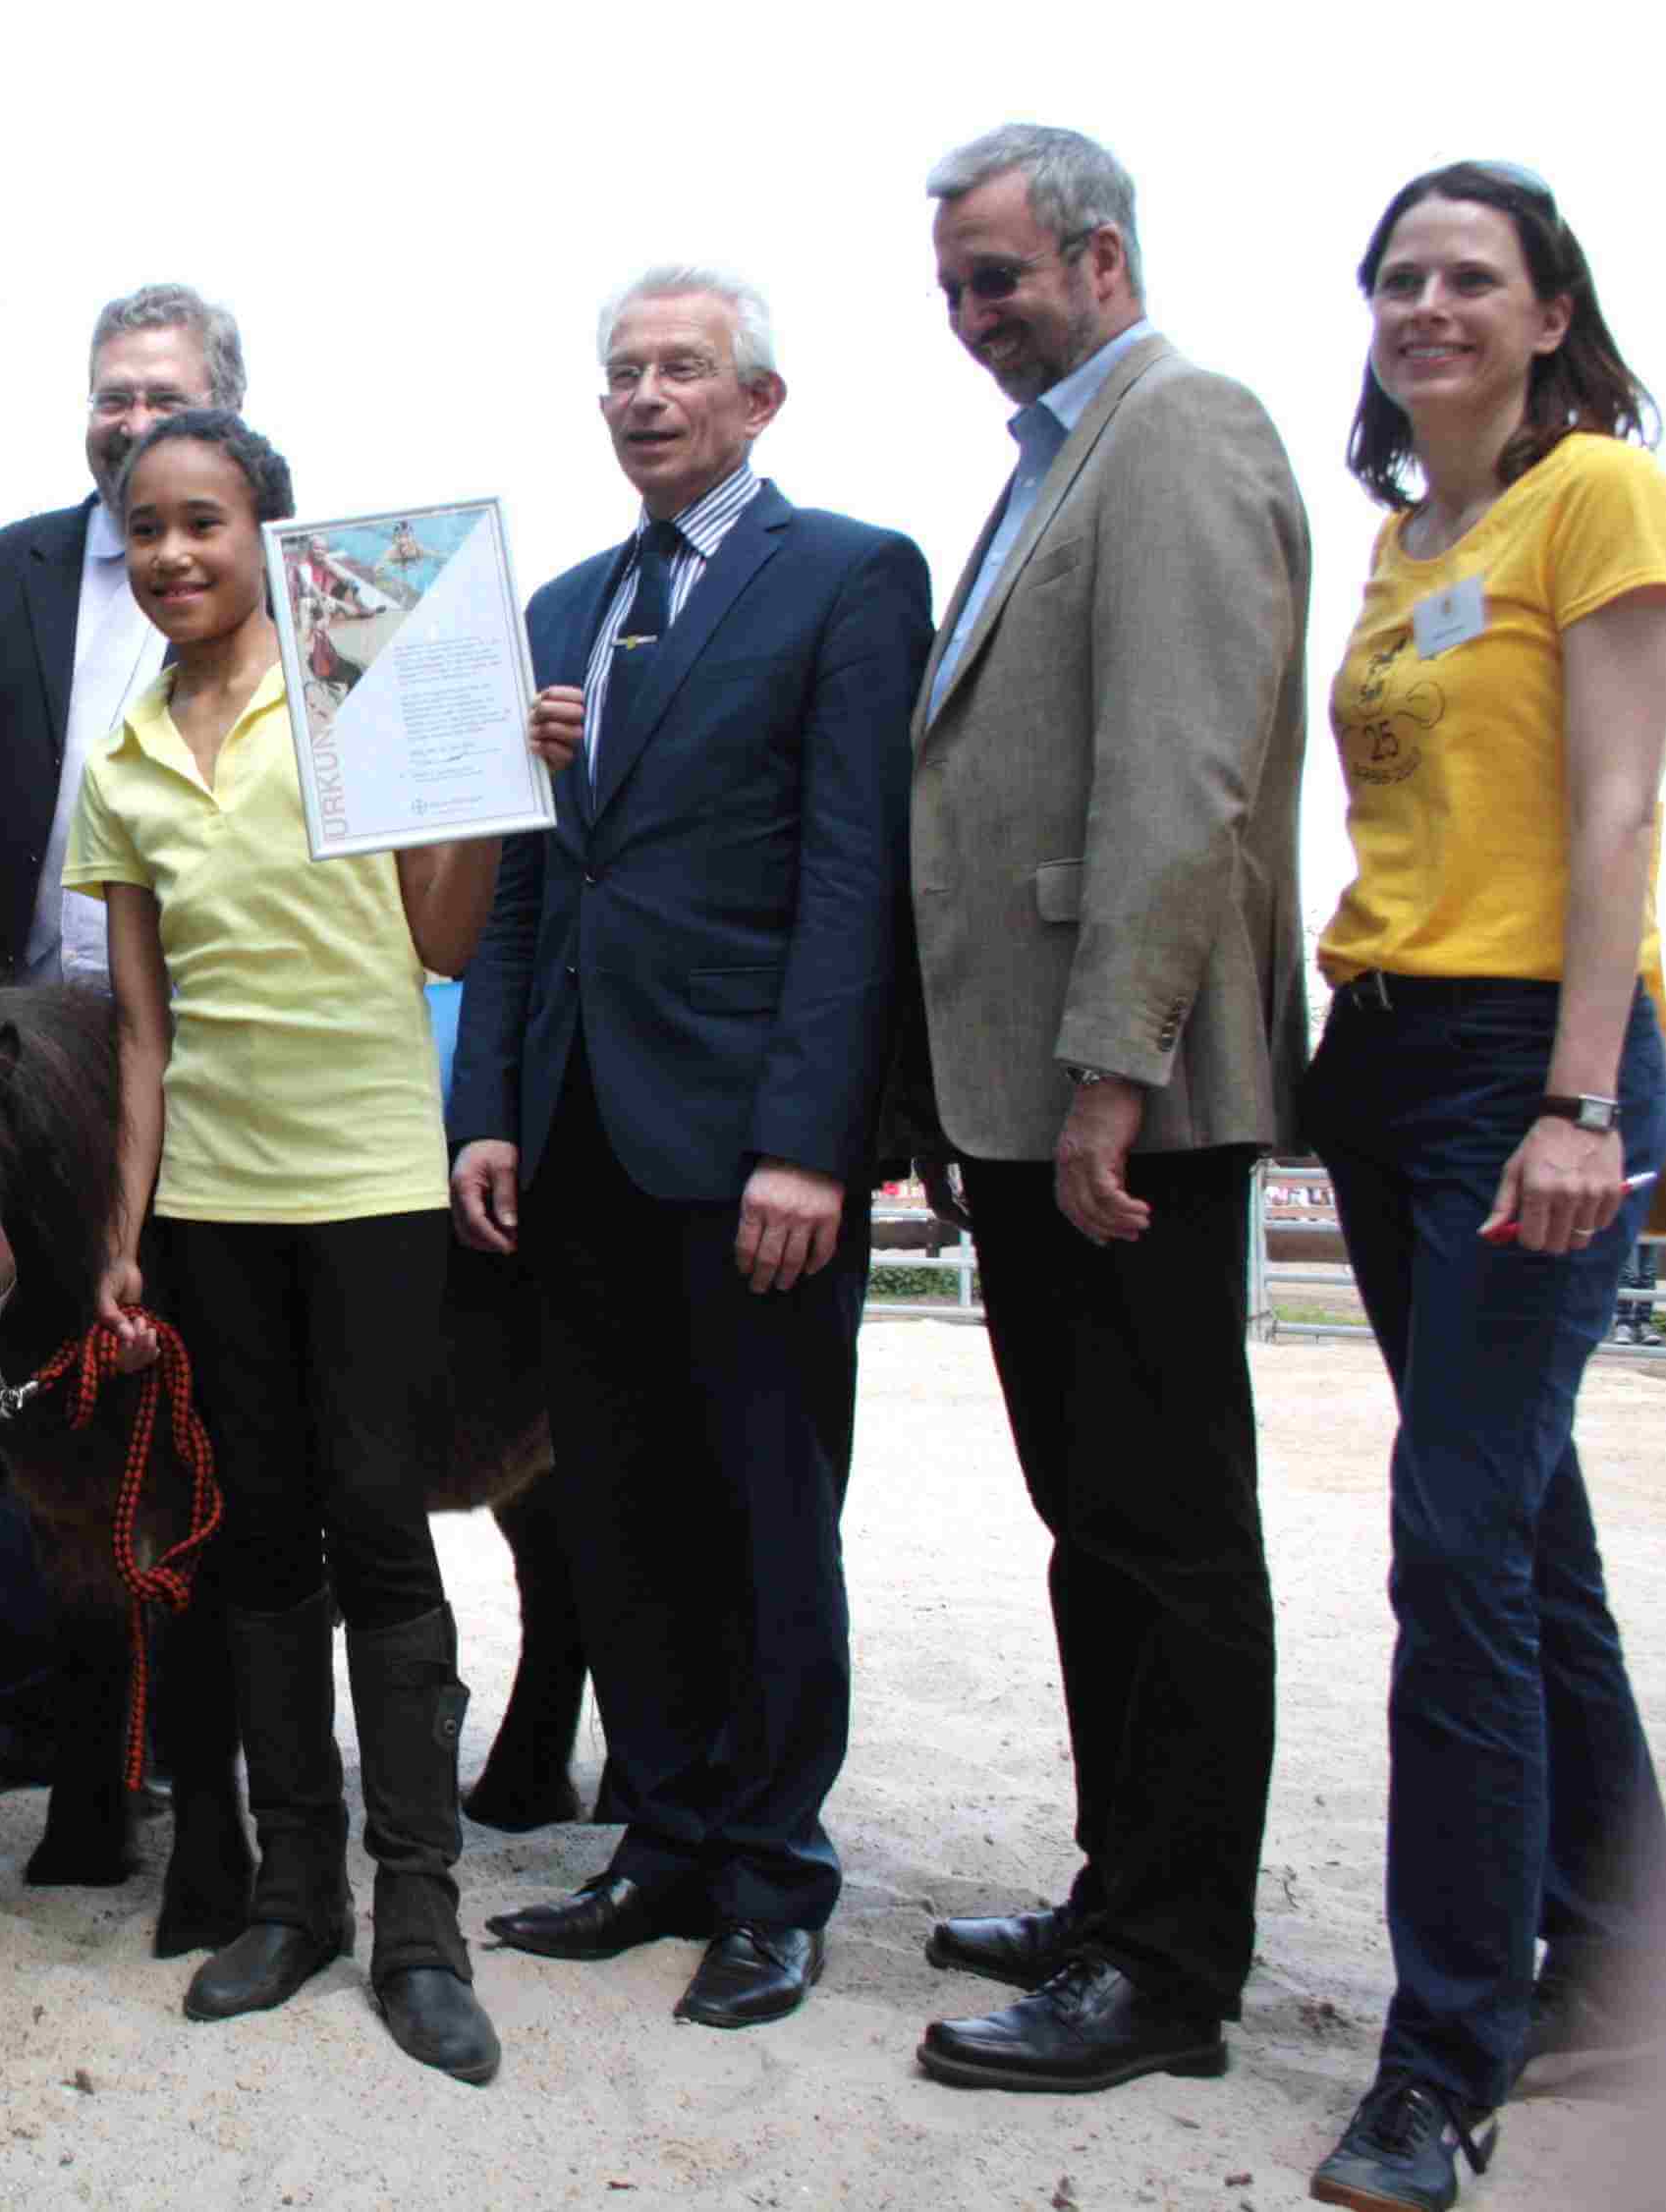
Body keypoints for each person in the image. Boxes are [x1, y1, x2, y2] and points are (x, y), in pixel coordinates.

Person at [453, 268, 927, 2032]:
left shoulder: (849, 579)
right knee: (620, 1503)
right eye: (621, 373)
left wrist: (813, 1141)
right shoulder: (561, 608)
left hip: (749, 1148)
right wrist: (485, 1105)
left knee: (764, 1505)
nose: (645, 395)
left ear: (759, 400)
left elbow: (851, 877)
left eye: (680, 369)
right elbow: (519, 879)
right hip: (574, 1136)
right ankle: (654, 1837)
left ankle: (768, 1875)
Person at [904, 124, 1310, 2094]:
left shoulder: (1179, 428)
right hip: (1032, 1096)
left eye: (998, 278)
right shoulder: (1049, 464)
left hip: (1119, 1099)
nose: (974, 316)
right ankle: (1116, 1889)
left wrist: (1106, 1072)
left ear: (1097, 253)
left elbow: (1177, 776)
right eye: (953, 288)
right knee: (1093, 1522)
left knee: (1158, 1526)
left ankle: (1165, 1969)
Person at [1295, 162, 1666, 2212]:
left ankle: (1444, 2054)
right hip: (1388, 1050)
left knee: (1447, 1545)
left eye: (1469, 277)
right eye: (1397, 278)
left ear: (1545, 312)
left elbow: (1617, 799)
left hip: (1538, 1058)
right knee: (1517, 1524)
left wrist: (1582, 1099)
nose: (1426, 303)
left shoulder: (1595, 492)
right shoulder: (1400, 540)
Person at [64, 410, 505, 2082]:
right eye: (149, 530)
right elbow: (137, 1030)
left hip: (372, 1181)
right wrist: (120, 1237)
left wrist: (486, 782)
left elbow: (440, 940)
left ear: (267, 534)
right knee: (253, 1544)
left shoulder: (360, 683)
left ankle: (420, 1923)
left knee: (379, 1525)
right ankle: (291, 1894)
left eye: (206, 522)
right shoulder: (121, 759)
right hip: (211, 1203)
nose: (176, 553)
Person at [0, 282, 244, 1807]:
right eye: (109, 394)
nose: (130, 422)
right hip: (11, 1059)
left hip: (209, 1051)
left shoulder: (296, 579)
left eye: (162, 396)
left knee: (182, 1377)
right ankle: (8, 1712)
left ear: (227, 409)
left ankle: (166, 1720)